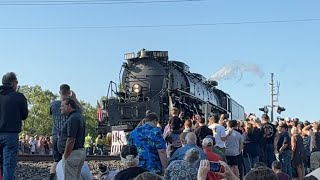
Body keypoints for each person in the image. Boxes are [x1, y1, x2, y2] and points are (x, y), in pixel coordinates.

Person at [50, 84, 83, 180]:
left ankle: (52, 176)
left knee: (56, 160)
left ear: (60, 92)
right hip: (66, 137)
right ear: (69, 92)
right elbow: (81, 111)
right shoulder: (71, 105)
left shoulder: (53, 104)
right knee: (67, 160)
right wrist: (74, 99)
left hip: (55, 135)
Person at [0, 72, 28, 180]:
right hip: (10, 135)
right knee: (9, 165)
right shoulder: (18, 97)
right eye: (16, 82)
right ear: (12, 83)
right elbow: (24, 115)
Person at [58, 98, 86, 180]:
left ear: (69, 106)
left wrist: (66, 156)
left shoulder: (73, 118)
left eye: (63, 106)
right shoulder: (79, 116)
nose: (61, 108)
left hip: (72, 153)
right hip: (78, 152)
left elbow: (71, 139)